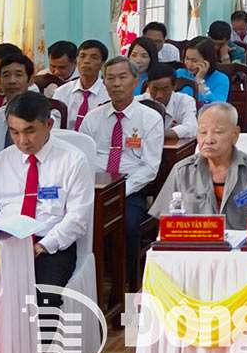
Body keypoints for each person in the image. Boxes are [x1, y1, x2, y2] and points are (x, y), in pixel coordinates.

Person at [0, 92, 94, 301]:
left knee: (44, 300)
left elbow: (77, 218)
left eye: (29, 131)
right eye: (14, 132)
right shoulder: (2, 160)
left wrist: (42, 246)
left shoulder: (73, 160)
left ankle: (44, 335)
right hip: (6, 243)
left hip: (49, 246)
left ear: (49, 124)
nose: (22, 141)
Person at [151, 103, 247, 228]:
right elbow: (165, 225)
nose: (208, 140)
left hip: (241, 249)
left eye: (218, 132)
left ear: (235, 135)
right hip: (194, 247)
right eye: (203, 132)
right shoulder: (182, 171)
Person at [80, 56, 165, 237]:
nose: (116, 83)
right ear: (104, 83)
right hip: (94, 188)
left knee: (127, 227)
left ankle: (127, 266)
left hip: (131, 188)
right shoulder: (92, 118)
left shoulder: (150, 118)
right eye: (110, 78)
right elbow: (83, 160)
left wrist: (119, 191)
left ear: (135, 82)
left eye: (122, 77)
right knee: (79, 224)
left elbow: (150, 167)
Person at [53, 40, 107, 129]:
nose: (86, 61)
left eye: (93, 57)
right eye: (82, 56)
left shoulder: (108, 93)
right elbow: (55, 122)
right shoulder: (62, 91)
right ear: (76, 61)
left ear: (102, 64)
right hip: (66, 140)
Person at [138, 65, 197, 141]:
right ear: (148, 85)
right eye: (155, 89)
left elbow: (192, 128)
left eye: (165, 89)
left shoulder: (186, 101)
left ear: (174, 86)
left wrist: (158, 134)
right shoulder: (138, 102)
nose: (159, 95)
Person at [177, 40, 231, 105]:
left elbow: (218, 106)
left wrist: (199, 81)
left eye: (194, 61)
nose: (189, 64)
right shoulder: (179, 74)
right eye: (187, 59)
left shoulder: (221, 79)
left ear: (207, 61)